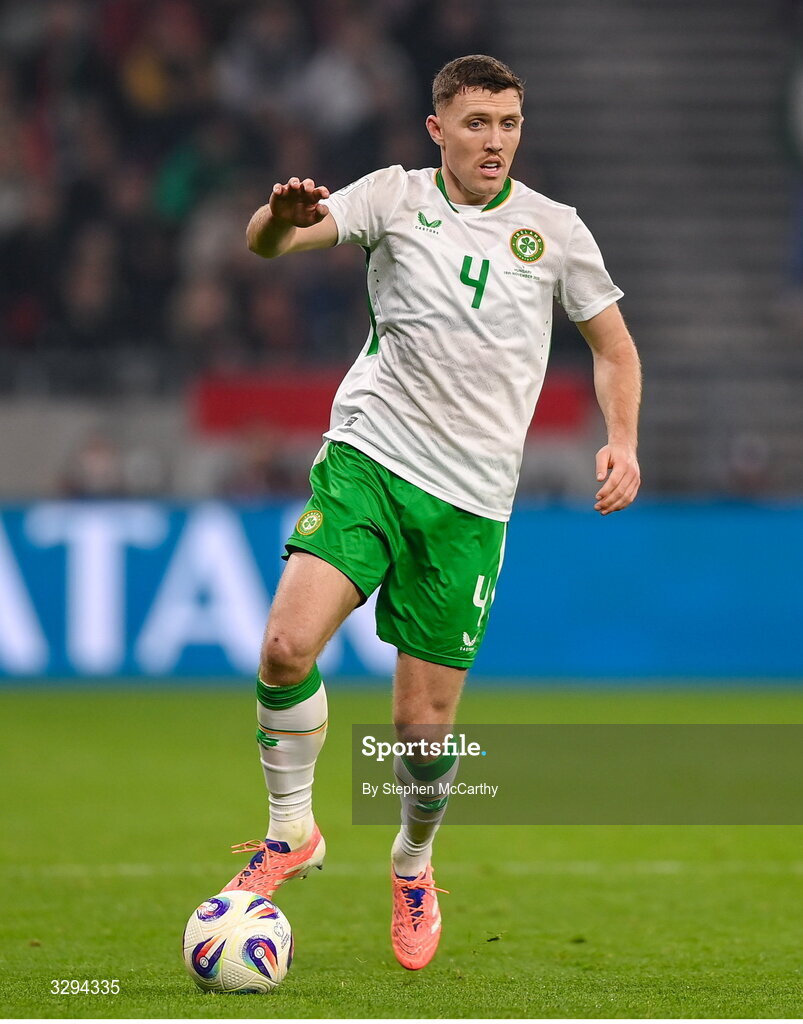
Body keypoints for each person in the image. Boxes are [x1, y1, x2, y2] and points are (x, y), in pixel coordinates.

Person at [222, 54, 641, 971]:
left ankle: (412, 859)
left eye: (509, 123)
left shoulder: (555, 232)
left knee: (421, 731)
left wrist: (622, 437)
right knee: (285, 647)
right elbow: (269, 246)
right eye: (478, 122)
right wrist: (276, 219)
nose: (495, 140)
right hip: (368, 462)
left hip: (470, 506)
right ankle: (290, 830)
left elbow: (613, 347)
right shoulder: (393, 197)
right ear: (437, 129)